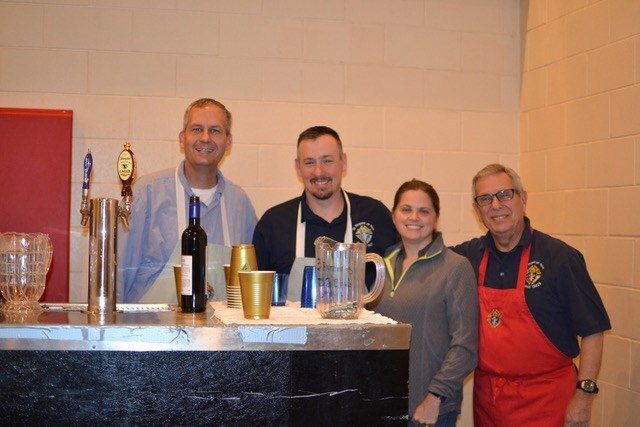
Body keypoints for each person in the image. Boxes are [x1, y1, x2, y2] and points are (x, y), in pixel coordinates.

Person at [451, 163, 611, 427]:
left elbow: (593, 331)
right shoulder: (470, 255)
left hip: (546, 402)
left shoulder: (560, 258)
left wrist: (584, 396)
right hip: (488, 402)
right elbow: (427, 258)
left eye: (504, 194)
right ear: (477, 210)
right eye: (485, 199)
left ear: (522, 198)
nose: (495, 205)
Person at [119, 98, 257, 303]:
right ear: (182, 139)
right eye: (197, 129)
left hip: (220, 333)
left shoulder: (240, 203)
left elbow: (249, 284)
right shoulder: (146, 194)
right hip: (152, 332)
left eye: (215, 130)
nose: (205, 138)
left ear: (228, 142)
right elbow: (117, 276)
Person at [370, 179, 478, 427]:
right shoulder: (379, 264)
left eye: (424, 210)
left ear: (436, 218)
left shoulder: (455, 267)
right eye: (406, 209)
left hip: (428, 411)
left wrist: (435, 397)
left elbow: (465, 346)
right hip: (382, 405)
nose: (414, 217)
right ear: (394, 215)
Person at [252, 125, 397, 300]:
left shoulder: (375, 215)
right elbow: (258, 295)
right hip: (295, 328)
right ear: (298, 167)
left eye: (327, 161)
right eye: (309, 162)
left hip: (362, 327)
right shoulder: (273, 224)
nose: (318, 172)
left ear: (343, 162)